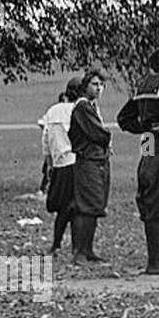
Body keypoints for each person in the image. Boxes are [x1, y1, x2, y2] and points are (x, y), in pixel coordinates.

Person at [116, 46, 159, 274]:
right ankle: (158, 260)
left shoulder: (142, 86)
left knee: (151, 188)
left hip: (148, 144)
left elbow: (123, 119)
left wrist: (145, 128)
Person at [67, 69, 111, 263]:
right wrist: (107, 138)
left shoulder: (92, 107)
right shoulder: (83, 107)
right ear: (85, 86)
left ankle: (88, 249)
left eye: (101, 85)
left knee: (95, 205)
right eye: (95, 84)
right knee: (87, 204)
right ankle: (80, 251)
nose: (99, 88)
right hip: (88, 160)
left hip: (98, 159)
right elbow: (99, 133)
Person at [37, 76, 83, 255]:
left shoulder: (53, 111)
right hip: (78, 162)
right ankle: (77, 247)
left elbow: (45, 140)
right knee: (78, 207)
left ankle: (56, 244)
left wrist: (49, 164)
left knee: (63, 208)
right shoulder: (82, 109)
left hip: (60, 163)